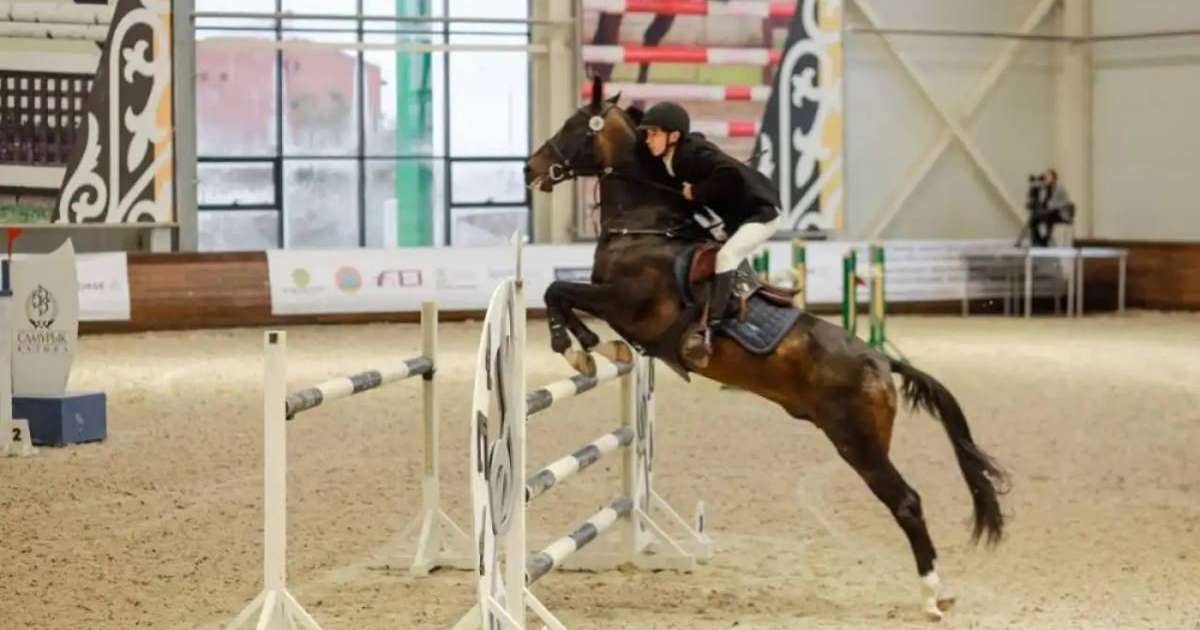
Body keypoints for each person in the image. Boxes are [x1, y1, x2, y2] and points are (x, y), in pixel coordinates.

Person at [637, 101, 782, 363]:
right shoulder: (678, 154)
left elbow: (727, 172)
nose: (648, 140)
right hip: (738, 216)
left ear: (674, 136)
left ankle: (712, 326)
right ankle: (736, 290)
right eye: (647, 134)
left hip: (762, 215)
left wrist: (696, 191)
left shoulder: (687, 156)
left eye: (653, 133)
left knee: (726, 257)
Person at [1029, 168, 1075, 247]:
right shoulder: (1044, 188)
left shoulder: (1060, 188)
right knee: (1033, 218)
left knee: (1049, 215)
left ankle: (1047, 239)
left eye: (1048, 177)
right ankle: (1038, 240)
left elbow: (1067, 202)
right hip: (1048, 212)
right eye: (1045, 177)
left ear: (1053, 178)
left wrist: (1054, 205)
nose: (1046, 178)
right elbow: (1041, 201)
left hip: (1060, 212)